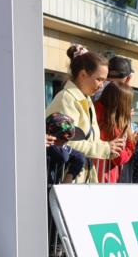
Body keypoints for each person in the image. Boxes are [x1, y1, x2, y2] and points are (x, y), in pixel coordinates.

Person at [45, 44, 125, 183]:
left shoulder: (85, 100)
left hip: (78, 179)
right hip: (64, 179)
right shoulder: (67, 98)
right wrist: (105, 148)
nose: (101, 85)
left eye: (104, 81)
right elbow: (66, 143)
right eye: (99, 79)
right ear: (82, 74)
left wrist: (111, 148)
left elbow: (88, 142)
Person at [93, 81, 134, 183]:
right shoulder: (112, 126)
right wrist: (132, 143)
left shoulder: (95, 113)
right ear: (124, 104)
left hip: (92, 174)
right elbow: (120, 159)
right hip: (104, 177)